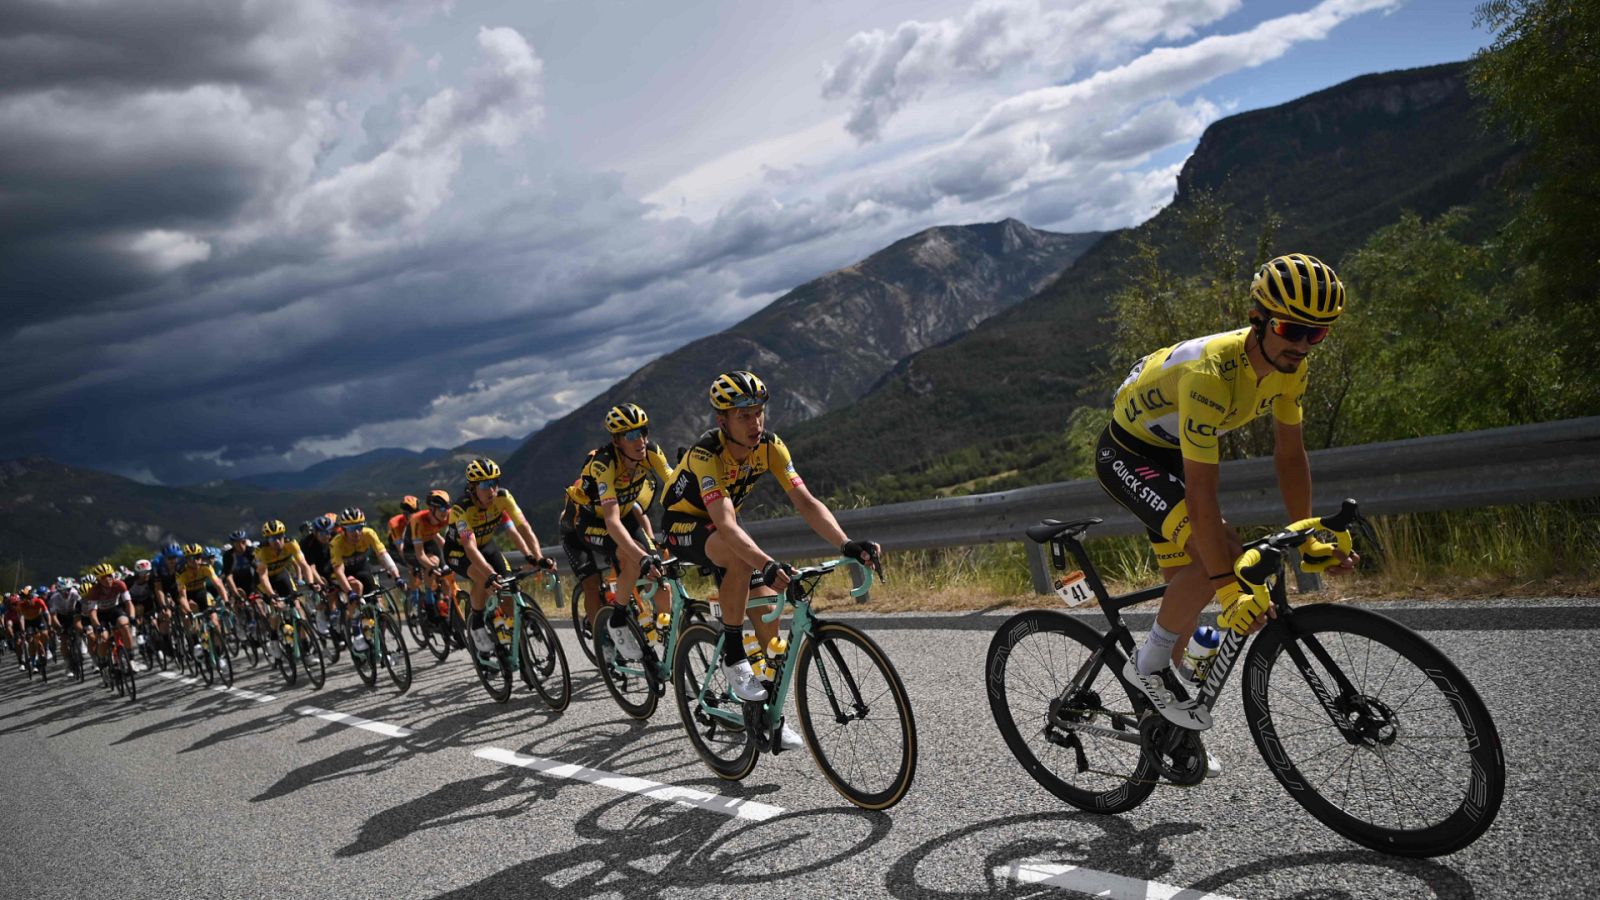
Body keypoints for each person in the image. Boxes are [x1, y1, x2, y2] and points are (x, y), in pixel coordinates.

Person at [1094, 253, 1359, 730]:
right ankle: (1143, 669)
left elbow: (1290, 456)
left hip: (1173, 452)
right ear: (1257, 320)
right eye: (1290, 329)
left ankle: (1164, 733)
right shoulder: (1210, 377)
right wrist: (1227, 588)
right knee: (1218, 557)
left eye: (1315, 333)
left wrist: (1306, 534)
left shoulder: (1291, 367)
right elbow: (1201, 491)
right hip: (1130, 454)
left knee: (1187, 602)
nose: (1301, 345)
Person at [659, 371, 881, 748]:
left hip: (721, 524)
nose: (755, 422)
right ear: (722, 421)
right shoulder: (705, 455)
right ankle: (732, 654)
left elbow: (807, 503)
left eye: (758, 412)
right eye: (743, 416)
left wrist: (845, 544)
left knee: (768, 615)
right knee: (742, 560)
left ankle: (770, 716)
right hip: (684, 524)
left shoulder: (771, 447)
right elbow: (726, 525)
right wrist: (767, 562)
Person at [561, 403, 673, 659]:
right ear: (616, 440)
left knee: (659, 572)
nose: (640, 440)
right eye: (631, 435)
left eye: (642, 431)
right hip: (591, 524)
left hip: (623, 517)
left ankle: (669, 640)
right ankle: (617, 621)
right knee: (627, 559)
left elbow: (673, 483)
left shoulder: (651, 451)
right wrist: (640, 555)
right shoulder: (604, 464)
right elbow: (612, 522)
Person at [445, 458, 555, 656]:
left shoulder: (503, 497)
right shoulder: (461, 509)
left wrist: (537, 557)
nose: (491, 490)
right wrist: (489, 574)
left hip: (486, 545)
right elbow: (469, 547)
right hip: (458, 551)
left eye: (494, 483)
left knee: (507, 591)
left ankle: (511, 636)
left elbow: (523, 527)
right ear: (472, 487)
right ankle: (477, 625)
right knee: (482, 579)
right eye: (485, 485)